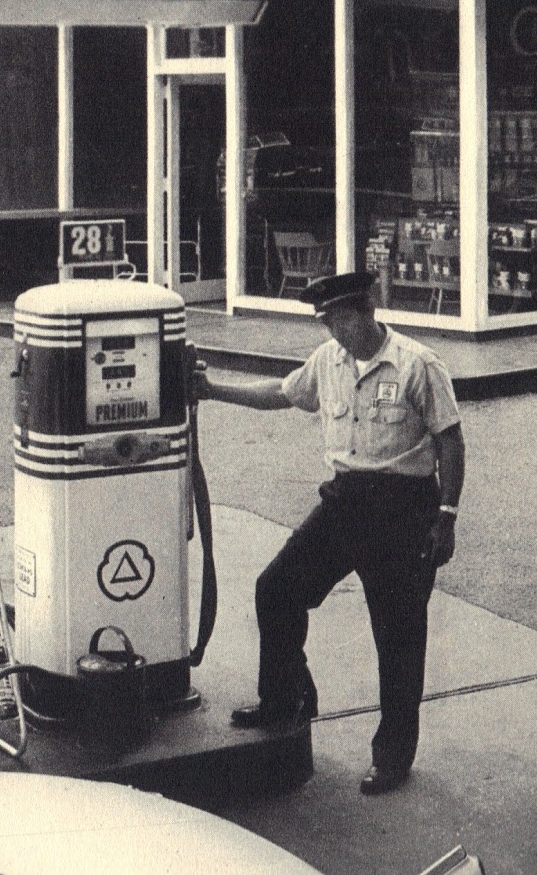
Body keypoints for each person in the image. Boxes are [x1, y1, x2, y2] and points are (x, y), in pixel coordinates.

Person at [198, 269, 465, 796]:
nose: (335, 332)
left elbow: (451, 442)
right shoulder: (328, 362)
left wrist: (447, 517)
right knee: (275, 590)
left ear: (369, 308)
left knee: (398, 637)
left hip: (404, 510)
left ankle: (392, 757)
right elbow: (282, 392)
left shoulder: (418, 364)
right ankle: (286, 698)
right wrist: (212, 391)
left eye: (341, 319)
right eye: (327, 323)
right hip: (346, 501)